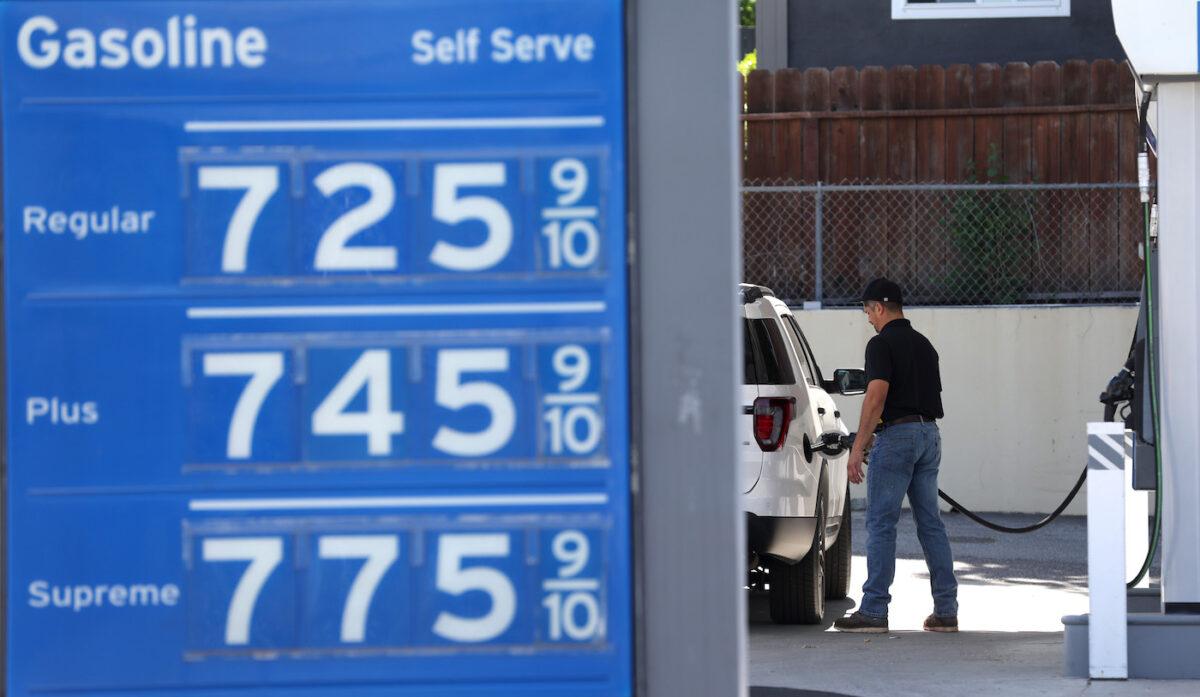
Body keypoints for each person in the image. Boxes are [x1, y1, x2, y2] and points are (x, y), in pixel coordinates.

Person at [833, 278, 959, 634]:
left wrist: (858, 447)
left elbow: (877, 396)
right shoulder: (925, 345)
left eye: (867, 312)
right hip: (929, 435)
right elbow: (915, 396)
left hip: (898, 438)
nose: (868, 319)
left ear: (879, 307)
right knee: (930, 524)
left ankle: (874, 611)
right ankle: (946, 610)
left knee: (881, 524)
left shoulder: (880, 344)